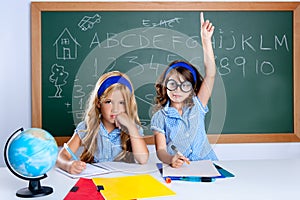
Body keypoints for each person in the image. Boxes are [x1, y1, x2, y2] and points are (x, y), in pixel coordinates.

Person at [151, 12, 218, 168]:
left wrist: (206, 40)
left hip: (208, 165)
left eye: (185, 85)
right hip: (180, 168)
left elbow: (211, 74)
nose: (177, 90)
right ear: (165, 84)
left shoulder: (197, 104)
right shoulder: (160, 117)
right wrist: (170, 159)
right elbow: (161, 151)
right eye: (172, 84)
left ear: (192, 89)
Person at [56, 71, 149, 174]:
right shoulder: (87, 127)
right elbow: (61, 156)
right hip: (95, 181)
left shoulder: (133, 129)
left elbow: (143, 159)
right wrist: (69, 165)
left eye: (121, 102)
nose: (115, 109)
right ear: (98, 103)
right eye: (109, 102)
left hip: (123, 182)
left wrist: (131, 128)